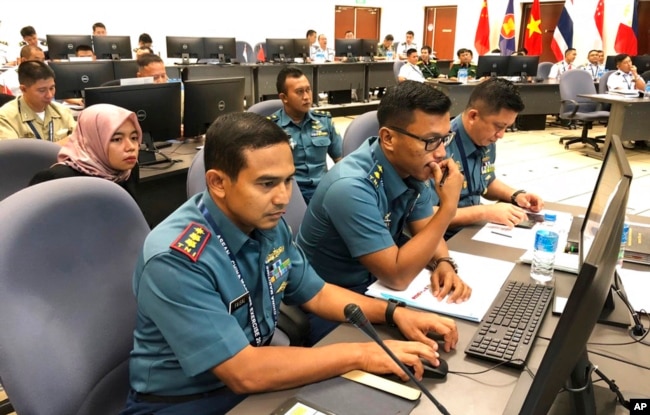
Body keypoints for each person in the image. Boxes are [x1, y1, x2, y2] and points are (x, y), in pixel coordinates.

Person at [120, 111, 459, 414]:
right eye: (267, 184)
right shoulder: (176, 258)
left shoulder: (267, 222)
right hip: (188, 401)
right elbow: (244, 372)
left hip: (257, 376)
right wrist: (364, 354)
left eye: (288, 180)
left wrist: (394, 313)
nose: (283, 197)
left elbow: (318, 294)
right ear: (218, 183)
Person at [297, 81, 472, 343]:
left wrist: (444, 263)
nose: (441, 152)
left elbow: (426, 230)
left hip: (378, 289)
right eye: (430, 141)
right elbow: (397, 276)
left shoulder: (412, 167)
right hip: (332, 303)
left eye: (445, 138)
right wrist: (448, 207)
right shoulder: (351, 186)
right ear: (388, 138)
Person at [433, 77, 543, 239]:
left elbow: (486, 181)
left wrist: (515, 195)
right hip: (443, 237)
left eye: (506, 127)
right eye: (499, 126)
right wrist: (484, 212)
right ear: (473, 116)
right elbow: (424, 215)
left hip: (473, 228)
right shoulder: (438, 148)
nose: (501, 135)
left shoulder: (485, 137)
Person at [29, 103, 141, 199]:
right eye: (117, 139)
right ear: (93, 140)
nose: (130, 147)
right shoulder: (58, 179)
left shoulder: (127, 171)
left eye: (134, 138)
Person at [269, 66, 342, 204]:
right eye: (299, 92)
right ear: (284, 98)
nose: (307, 97)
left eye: (308, 90)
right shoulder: (271, 128)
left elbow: (341, 160)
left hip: (324, 190)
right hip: (291, 195)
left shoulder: (324, 121)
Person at [0, 60, 75, 141]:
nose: (49, 95)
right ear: (23, 89)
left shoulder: (63, 111)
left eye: (52, 88)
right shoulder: (6, 117)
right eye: (42, 90)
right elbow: (12, 152)